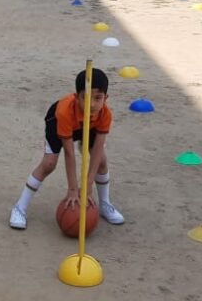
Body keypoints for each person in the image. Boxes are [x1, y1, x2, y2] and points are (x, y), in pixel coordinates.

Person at [9, 68, 123, 230]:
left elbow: (97, 150)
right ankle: (20, 207)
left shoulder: (105, 114)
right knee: (49, 163)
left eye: (98, 98)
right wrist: (73, 189)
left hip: (90, 125)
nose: (92, 104)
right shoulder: (64, 112)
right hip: (58, 122)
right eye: (86, 98)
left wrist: (87, 186)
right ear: (76, 97)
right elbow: (69, 153)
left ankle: (105, 204)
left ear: (106, 98)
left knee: (102, 161)